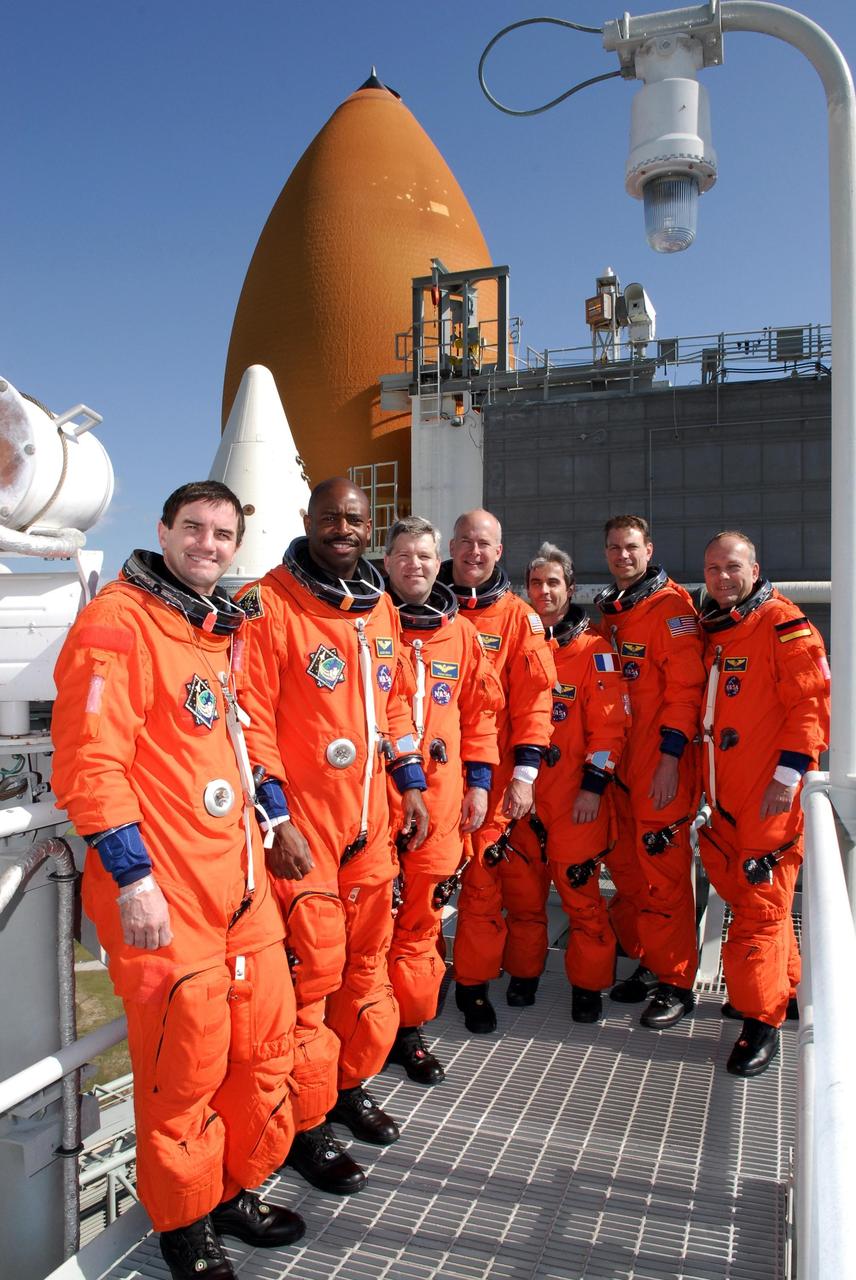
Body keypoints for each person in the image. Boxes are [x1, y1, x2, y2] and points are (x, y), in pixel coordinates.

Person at [51, 482, 303, 1280]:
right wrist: (132, 878)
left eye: (222, 533)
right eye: (192, 528)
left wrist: (274, 816)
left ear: (236, 545)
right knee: (184, 1067)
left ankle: (235, 1189)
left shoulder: (209, 630)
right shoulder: (117, 622)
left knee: (261, 1044)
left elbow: (233, 738)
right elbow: (90, 759)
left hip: (237, 879)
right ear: (162, 530)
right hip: (167, 890)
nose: (207, 543)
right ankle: (187, 1228)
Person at [235, 477, 429, 1194]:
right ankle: (305, 1125)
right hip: (306, 831)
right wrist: (277, 820)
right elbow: (249, 718)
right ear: (306, 520)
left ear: (368, 525)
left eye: (354, 519)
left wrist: (410, 782)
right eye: (330, 518)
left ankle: (347, 1086)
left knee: (366, 966)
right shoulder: (269, 603)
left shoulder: (377, 608)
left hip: (370, 822)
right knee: (312, 978)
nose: (343, 529)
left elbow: (397, 704)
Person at [698, 532, 829, 1076]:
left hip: (765, 796)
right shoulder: (723, 628)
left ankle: (760, 1022)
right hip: (724, 793)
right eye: (712, 569)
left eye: (732, 568)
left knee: (759, 908)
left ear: (755, 569)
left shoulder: (784, 625)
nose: (722, 578)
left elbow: (813, 703)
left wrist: (787, 775)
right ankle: (784, 989)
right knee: (750, 900)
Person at [383, 516, 501, 1082]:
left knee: (422, 923)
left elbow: (480, 713)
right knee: (366, 926)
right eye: (404, 555)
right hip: (377, 802)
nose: (416, 565)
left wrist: (480, 783)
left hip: (443, 804)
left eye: (425, 556)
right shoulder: (368, 625)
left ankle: (409, 1031)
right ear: (387, 563)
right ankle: (362, 1037)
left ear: (441, 562)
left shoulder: (463, 635)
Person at [438, 509, 556, 1032]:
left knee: (483, 889)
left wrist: (526, 775)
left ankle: (473, 984)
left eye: (483, 543)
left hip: (493, 781)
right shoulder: (415, 606)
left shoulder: (517, 618)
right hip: (425, 781)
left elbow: (535, 703)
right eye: (464, 541)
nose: (473, 551)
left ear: (498, 551)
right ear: (450, 546)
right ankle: (408, 995)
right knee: (421, 894)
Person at [594, 515, 704, 1029]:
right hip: (620, 766)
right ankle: (649, 960)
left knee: (664, 877)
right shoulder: (611, 613)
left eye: (631, 547)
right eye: (614, 548)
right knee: (631, 875)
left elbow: (685, 693)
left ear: (649, 549)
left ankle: (677, 981)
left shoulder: (672, 609)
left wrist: (669, 760)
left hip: (661, 766)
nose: (622, 556)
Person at [517, 543, 629, 1022]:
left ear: (570, 587)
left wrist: (593, 788)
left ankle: (588, 984)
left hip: (573, 797)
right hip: (523, 795)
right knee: (522, 896)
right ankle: (523, 972)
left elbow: (610, 730)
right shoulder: (518, 643)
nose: (544, 591)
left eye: (553, 583)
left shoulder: (595, 651)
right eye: (537, 583)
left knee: (581, 898)